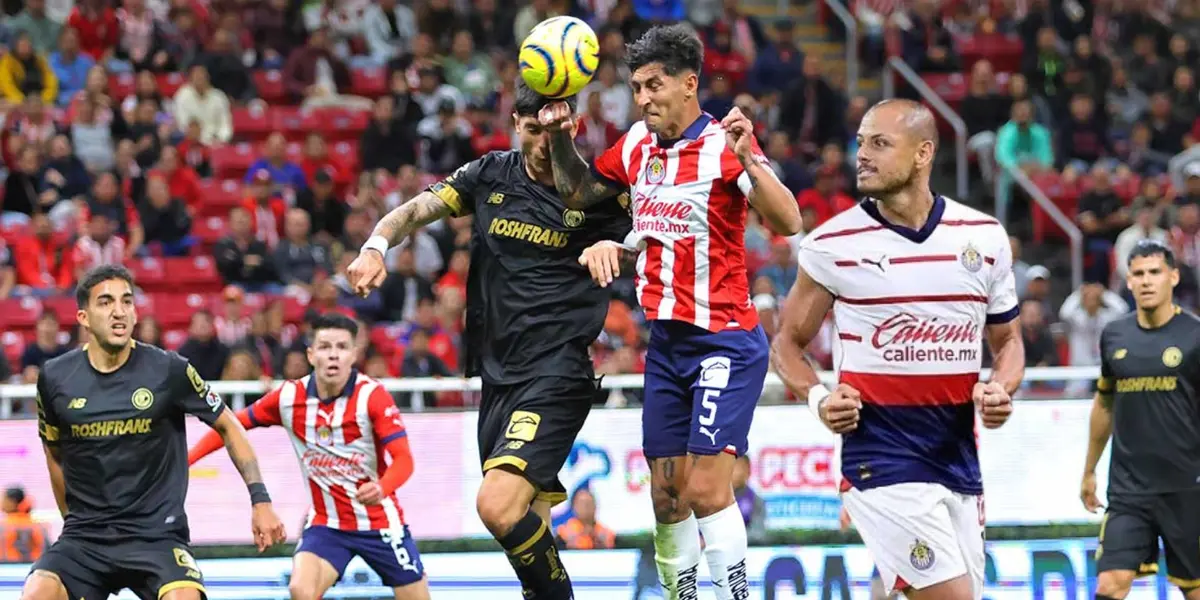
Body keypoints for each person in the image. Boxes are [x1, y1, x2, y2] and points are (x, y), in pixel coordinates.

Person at [538, 24, 802, 599]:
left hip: (725, 340)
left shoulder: (723, 146)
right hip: (668, 346)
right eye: (636, 86)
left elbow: (790, 222)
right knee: (667, 498)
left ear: (689, 84)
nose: (643, 98)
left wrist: (751, 160)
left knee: (708, 492)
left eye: (653, 84)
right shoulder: (636, 146)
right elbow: (581, 195)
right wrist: (560, 139)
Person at [345, 80, 632, 599]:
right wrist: (375, 246)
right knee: (526, 520)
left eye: (553, 132)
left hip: (557, 370)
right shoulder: (487, 175)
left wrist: (615, 246)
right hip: (497, 374)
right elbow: (413, 210)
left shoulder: (592, 193)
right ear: (516, 127)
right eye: (531, 130)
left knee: (495, 504)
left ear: (569, 129)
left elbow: (644, 242)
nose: (542, 143)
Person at [772, 98, 1025, 600]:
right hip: (881, 455)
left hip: (957, 455)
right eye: (861, 142)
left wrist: (1001, 387)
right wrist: (819, 398)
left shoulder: (984, 237)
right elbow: (786, 344)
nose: (861, 155)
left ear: (923, 153)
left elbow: (1009, 339)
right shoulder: (833, 244)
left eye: (879, 143)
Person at [22, 264, 287, 600]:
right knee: (36, 594)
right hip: (85, 539)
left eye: (127, 302)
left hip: (157, 536)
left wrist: (260, 500)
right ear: (83, 317)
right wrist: (71, 521)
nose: (119, 312)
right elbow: (54, 453)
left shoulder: (169, 370)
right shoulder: (54, 377)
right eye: (105, 303)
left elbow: (228, 426)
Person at [187, 313, 429, 600]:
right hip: (327, 525)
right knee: (301, 589)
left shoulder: (372, 397)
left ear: (354, 354)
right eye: (325, 347)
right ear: (311, 355)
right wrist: (187, 460)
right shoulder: (289, 397)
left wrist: (381, 488)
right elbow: (230, 426)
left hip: (380, 524)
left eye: (341, 347)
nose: (333, 356)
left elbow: (404, 461)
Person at [1082, 240, 1200, 600]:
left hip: (1187, 490)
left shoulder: (1195, 336)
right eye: (1138, 274)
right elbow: (1104, 405)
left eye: (1155, 272)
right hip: (1129, 491)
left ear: (1173, 277)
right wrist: (1089, 471)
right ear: (1128, 281)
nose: (1146, 281)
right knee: (1109, 584)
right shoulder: (1115, 336)